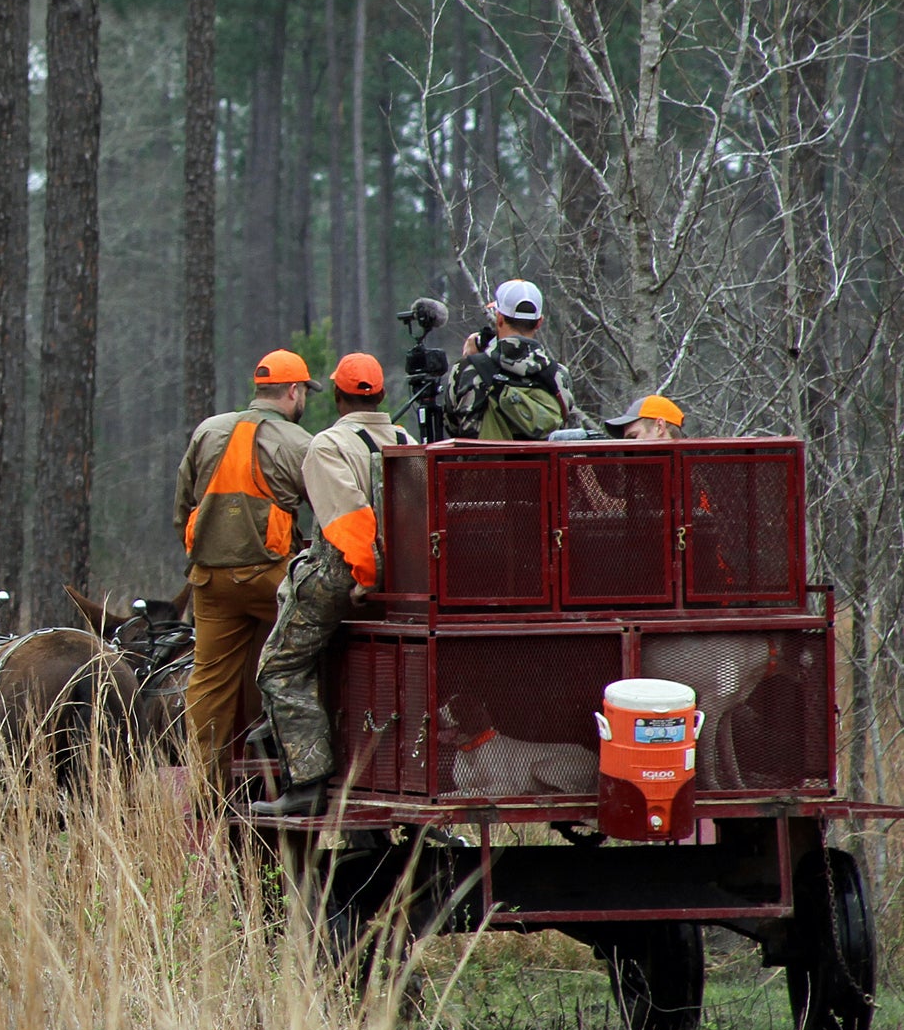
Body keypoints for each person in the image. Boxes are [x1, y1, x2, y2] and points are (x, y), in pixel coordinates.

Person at [251, 354, 414, 817]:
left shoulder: (328, 445)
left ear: (339, 398)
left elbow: (350, 526)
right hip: (406, 577)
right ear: (381, 395)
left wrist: (366, 581)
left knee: (278, 667)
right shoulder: (407, 440)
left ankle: (305, 783)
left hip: (347, 573)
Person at [173, 349, 317, 791]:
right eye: (304, 393)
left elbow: (183, 508)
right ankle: (305, 771)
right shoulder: (299, 443)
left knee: (209, 681)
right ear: (294, 392)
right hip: (269, 582)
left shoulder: (207, 431)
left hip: (210, 581)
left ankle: (207, 785)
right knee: (316, 650)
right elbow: (332, 515)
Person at [442, 278, 579, 440]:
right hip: (540, 466)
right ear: (539, 323)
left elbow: (451, 426)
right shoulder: (559, 376)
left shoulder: (467, 369)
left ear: (499, 318)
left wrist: (471, 362)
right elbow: (564, 426)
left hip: (486, 465)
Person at [608, 393, 685, 440]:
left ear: (659, 426)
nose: (628, 448)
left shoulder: (694, 465)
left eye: (633, 437)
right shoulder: (693, 465)